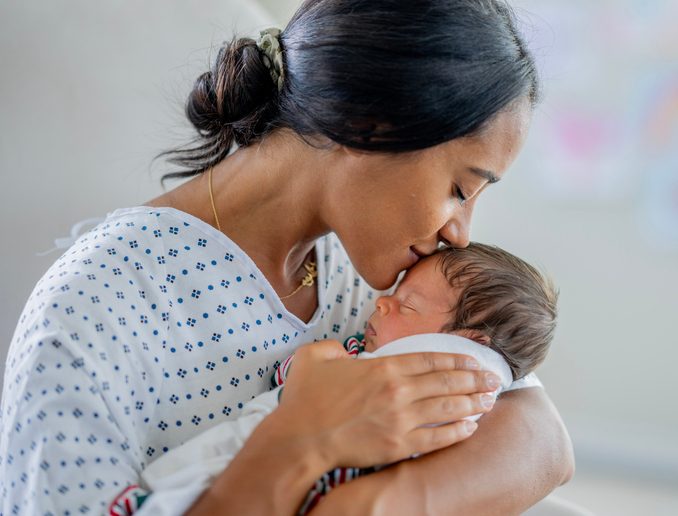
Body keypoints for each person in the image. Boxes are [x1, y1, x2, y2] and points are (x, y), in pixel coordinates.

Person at [0, 1, 574, 515]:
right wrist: (303, 441)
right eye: (459, 188)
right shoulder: (95, 306)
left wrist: (373, 505)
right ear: (369, 126)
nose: (461, 234)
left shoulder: (382, 268)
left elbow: (540, 436)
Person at [137, 243, 558, 515]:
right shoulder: (362, 350)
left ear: (467, 345)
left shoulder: (475, 391)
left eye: (407, 306)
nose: (382, 303)